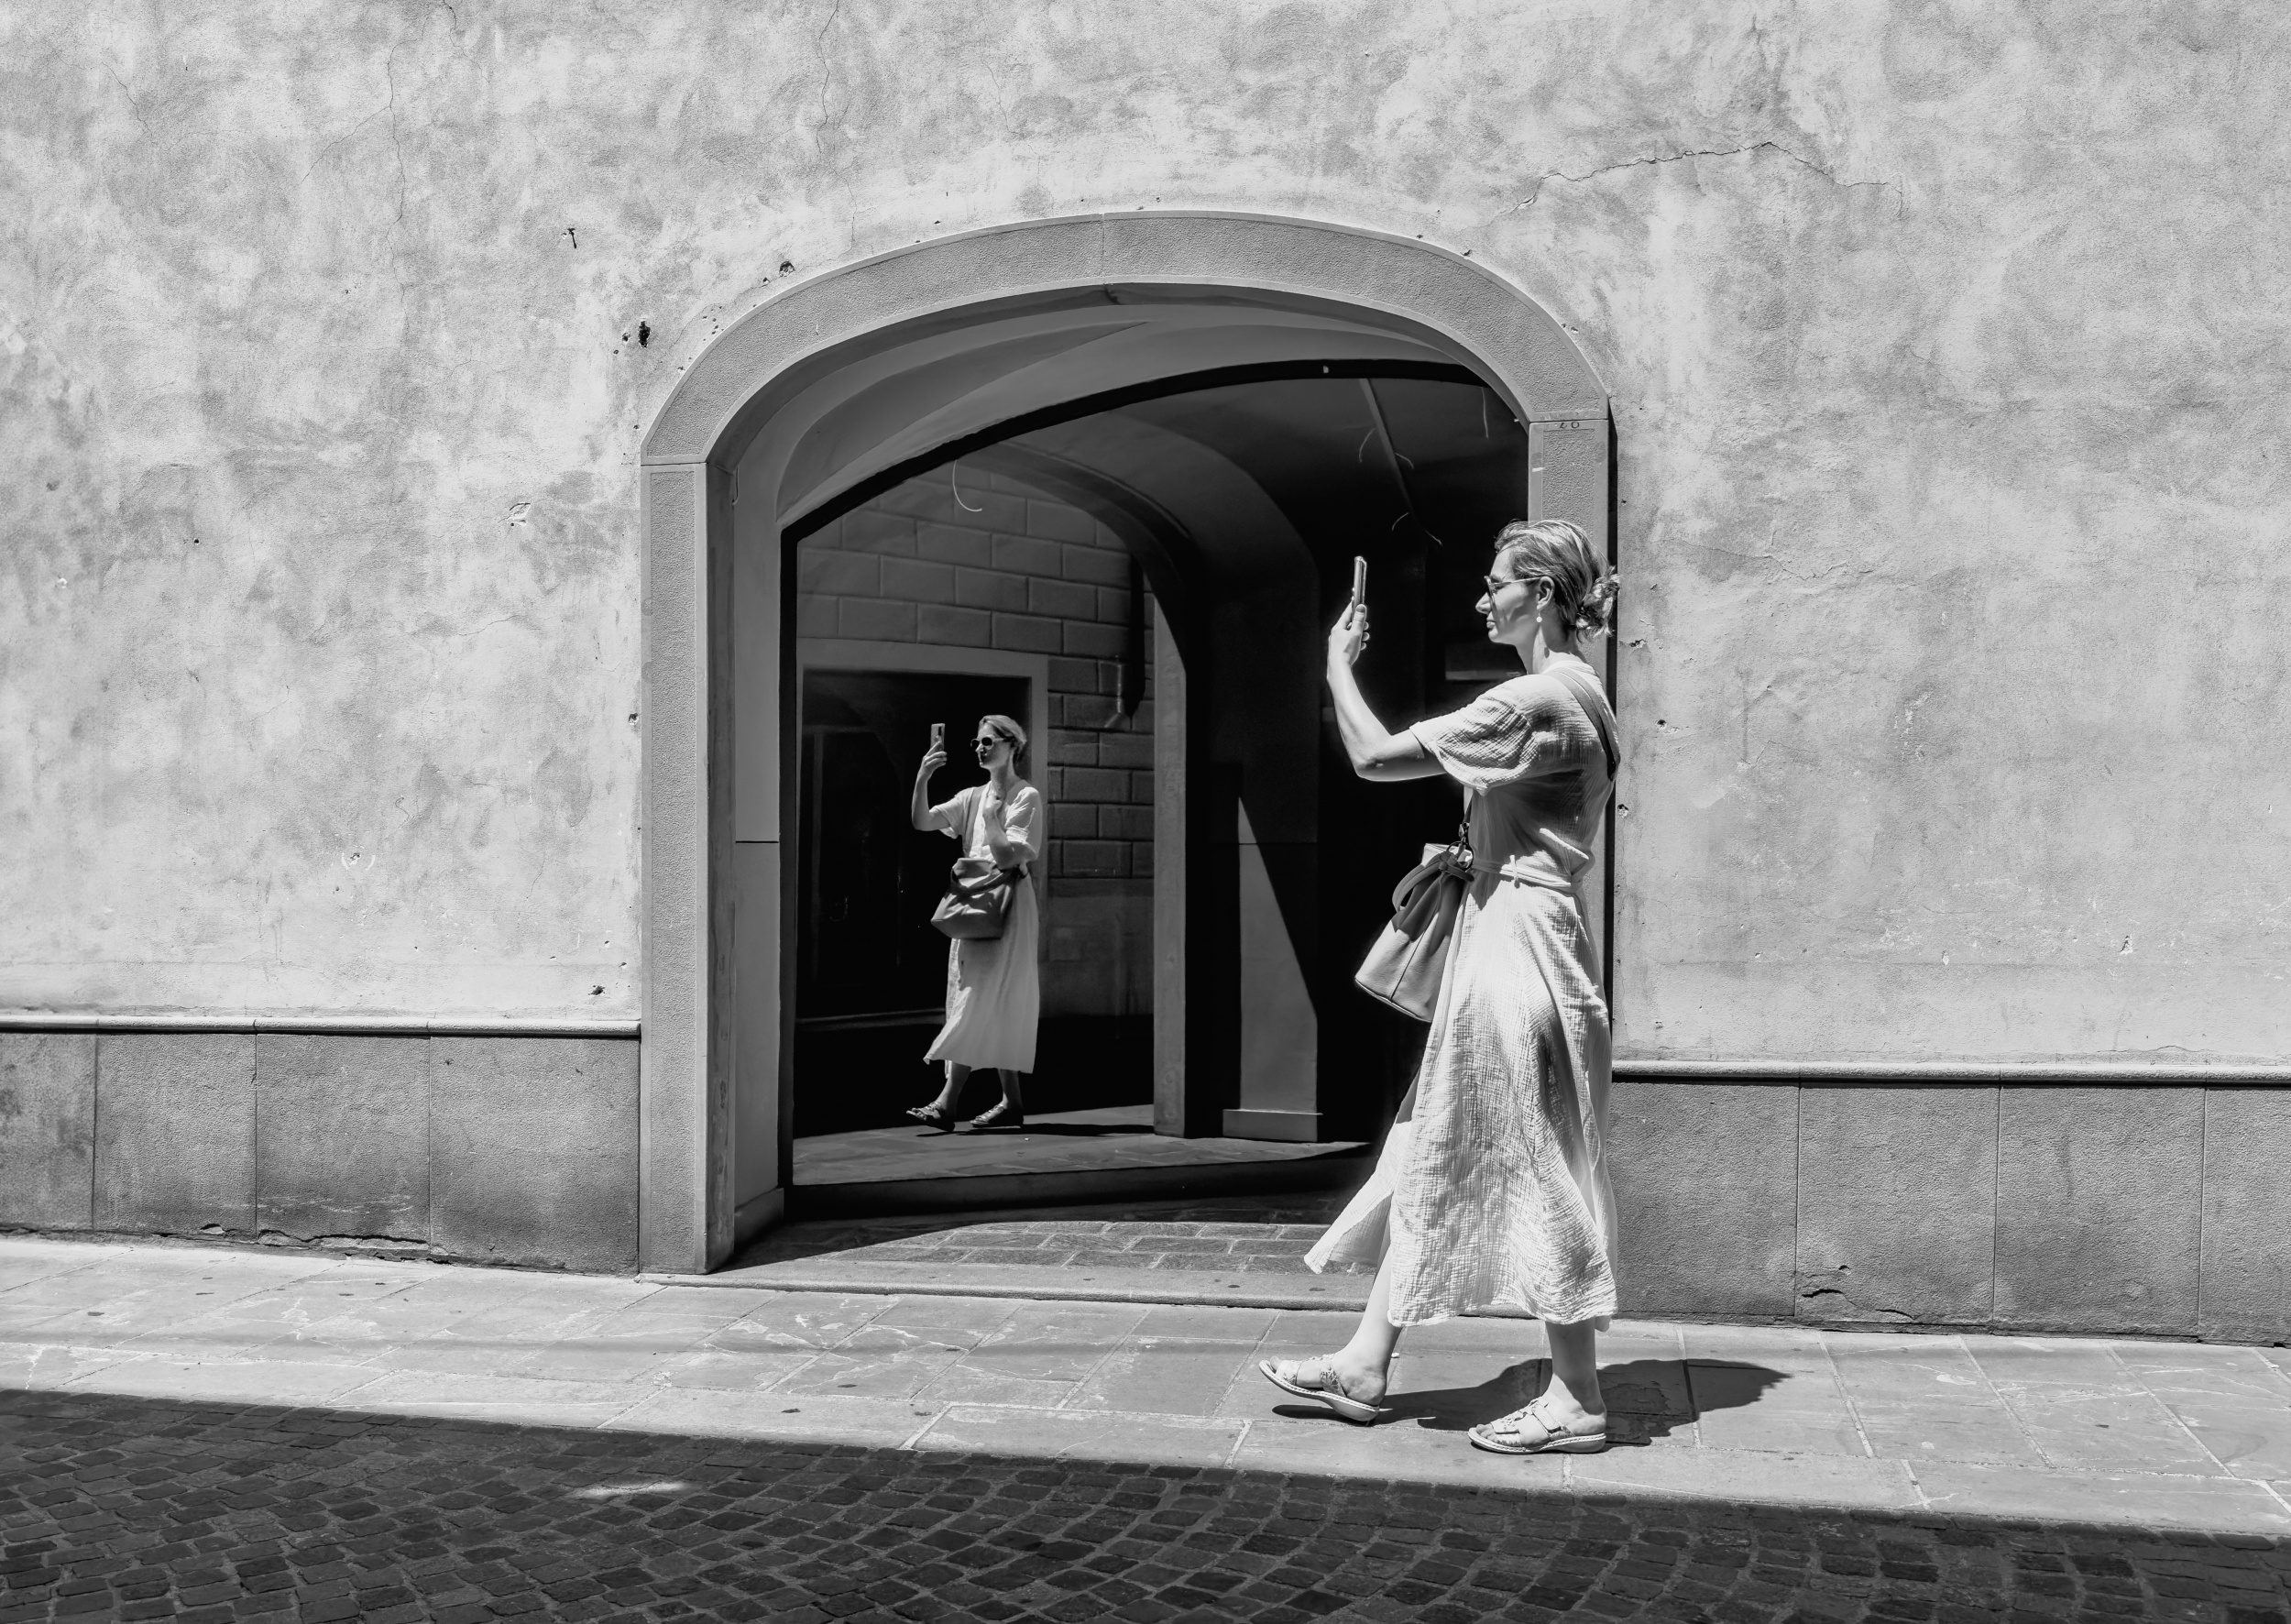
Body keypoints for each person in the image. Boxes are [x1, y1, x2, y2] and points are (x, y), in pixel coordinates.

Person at [1259, 519, 1622, 1456]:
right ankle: (1363, 1363)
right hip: (1526, 938)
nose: (1482, 597)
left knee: (1534, 1162)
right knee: (1431, 1145)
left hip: (1514, 951)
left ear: (1542, 592)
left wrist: (1335, 665)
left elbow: (1373, 756)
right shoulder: (1584, 692)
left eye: (1496, 582)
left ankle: (1577, 1397)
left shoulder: (1535, 699)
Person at [905, 713, 1042, 1132]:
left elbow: (1007, 856)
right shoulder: (971, 796)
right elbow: (922, 821)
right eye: (977, 743)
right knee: (984, 995)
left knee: (983, 996)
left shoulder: (1026, 796)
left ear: (1012, 745)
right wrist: (923, 776)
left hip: (1009, 906)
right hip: (974, 905)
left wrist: (992, 818)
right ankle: (1012, 1101)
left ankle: (947, 1103)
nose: (980, 749)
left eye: (988, 742)